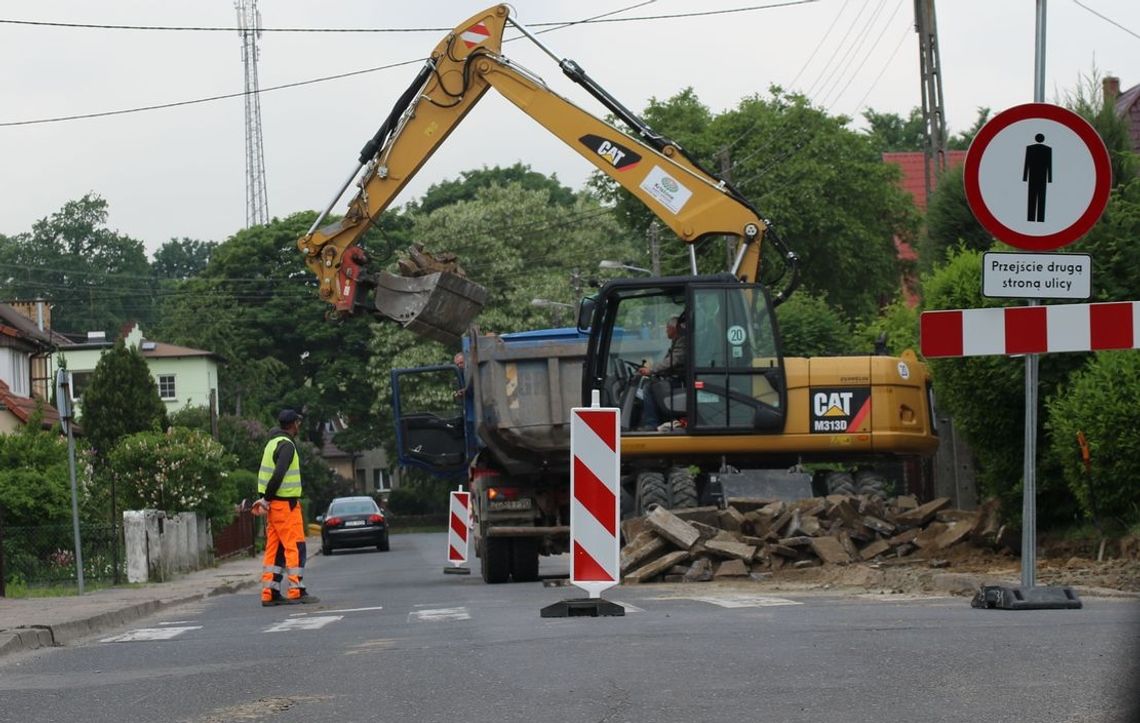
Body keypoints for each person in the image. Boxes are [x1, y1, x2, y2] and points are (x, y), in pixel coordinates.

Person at [253, 409, 320, 607]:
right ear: (293, 425)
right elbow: (278, 474)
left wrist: (266, 500)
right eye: (298, 423)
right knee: (295, 547)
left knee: (274, 549)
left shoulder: (271, 443)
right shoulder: (287, 446)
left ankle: (270, 591)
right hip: (285, 505)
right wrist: (267, 497)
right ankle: (296, 589)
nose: (299, 426)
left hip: (274, 506)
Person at [637, 314, 688, 430]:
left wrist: (651, 370)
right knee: (652, 383)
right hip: (676, 378)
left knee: (649, 387)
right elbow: (667, 362)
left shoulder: (683, 341)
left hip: (680, 381)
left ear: (674, 328)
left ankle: (651, 424)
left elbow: (673, 360)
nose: (665, 331)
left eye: (667, 328)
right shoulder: (677, 340)